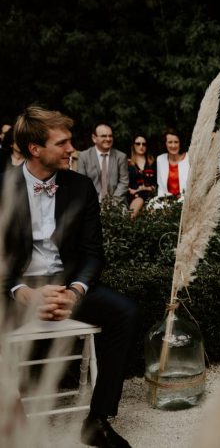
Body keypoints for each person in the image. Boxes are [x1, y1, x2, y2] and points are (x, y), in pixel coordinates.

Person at [1, 106, 137, 447]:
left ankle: (97, 420)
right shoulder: (2, 188)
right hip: (16, 291)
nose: (70, 149)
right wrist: (23, 293)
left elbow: (94, 253)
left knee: (126, 313)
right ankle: (13, 420)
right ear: (35, 149)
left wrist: (74, 292)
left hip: (68, 286)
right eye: (62, 143)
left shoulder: (80, 186)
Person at [76, 122, 129, 203]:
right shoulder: (84, 156)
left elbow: (124, 182)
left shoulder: (121, 157)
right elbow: (81, 184)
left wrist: (112, 202)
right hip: (91, 203)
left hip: (117, 203)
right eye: (103, 136)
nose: (108, 139)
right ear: (94, 138)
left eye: (110, 136)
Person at [127, 134, 156, 218]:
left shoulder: (153, 163)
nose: (141, 146)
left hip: (150, 195)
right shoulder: (128, 163)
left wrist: (146, 188)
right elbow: (123, 182)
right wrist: (131, 190)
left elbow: (157, 183)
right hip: (134, 196)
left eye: (144, 144)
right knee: (138, 202)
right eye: (138, 144)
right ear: (133, 145)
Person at [155, 129, 189, 198]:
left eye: (176, 142)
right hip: (166, 200)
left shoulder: (189, 158)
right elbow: (161, 187)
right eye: (170, 142)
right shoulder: (160, 159)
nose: (173, 146)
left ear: (180, 143)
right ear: (165, 143)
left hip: (186, 200)